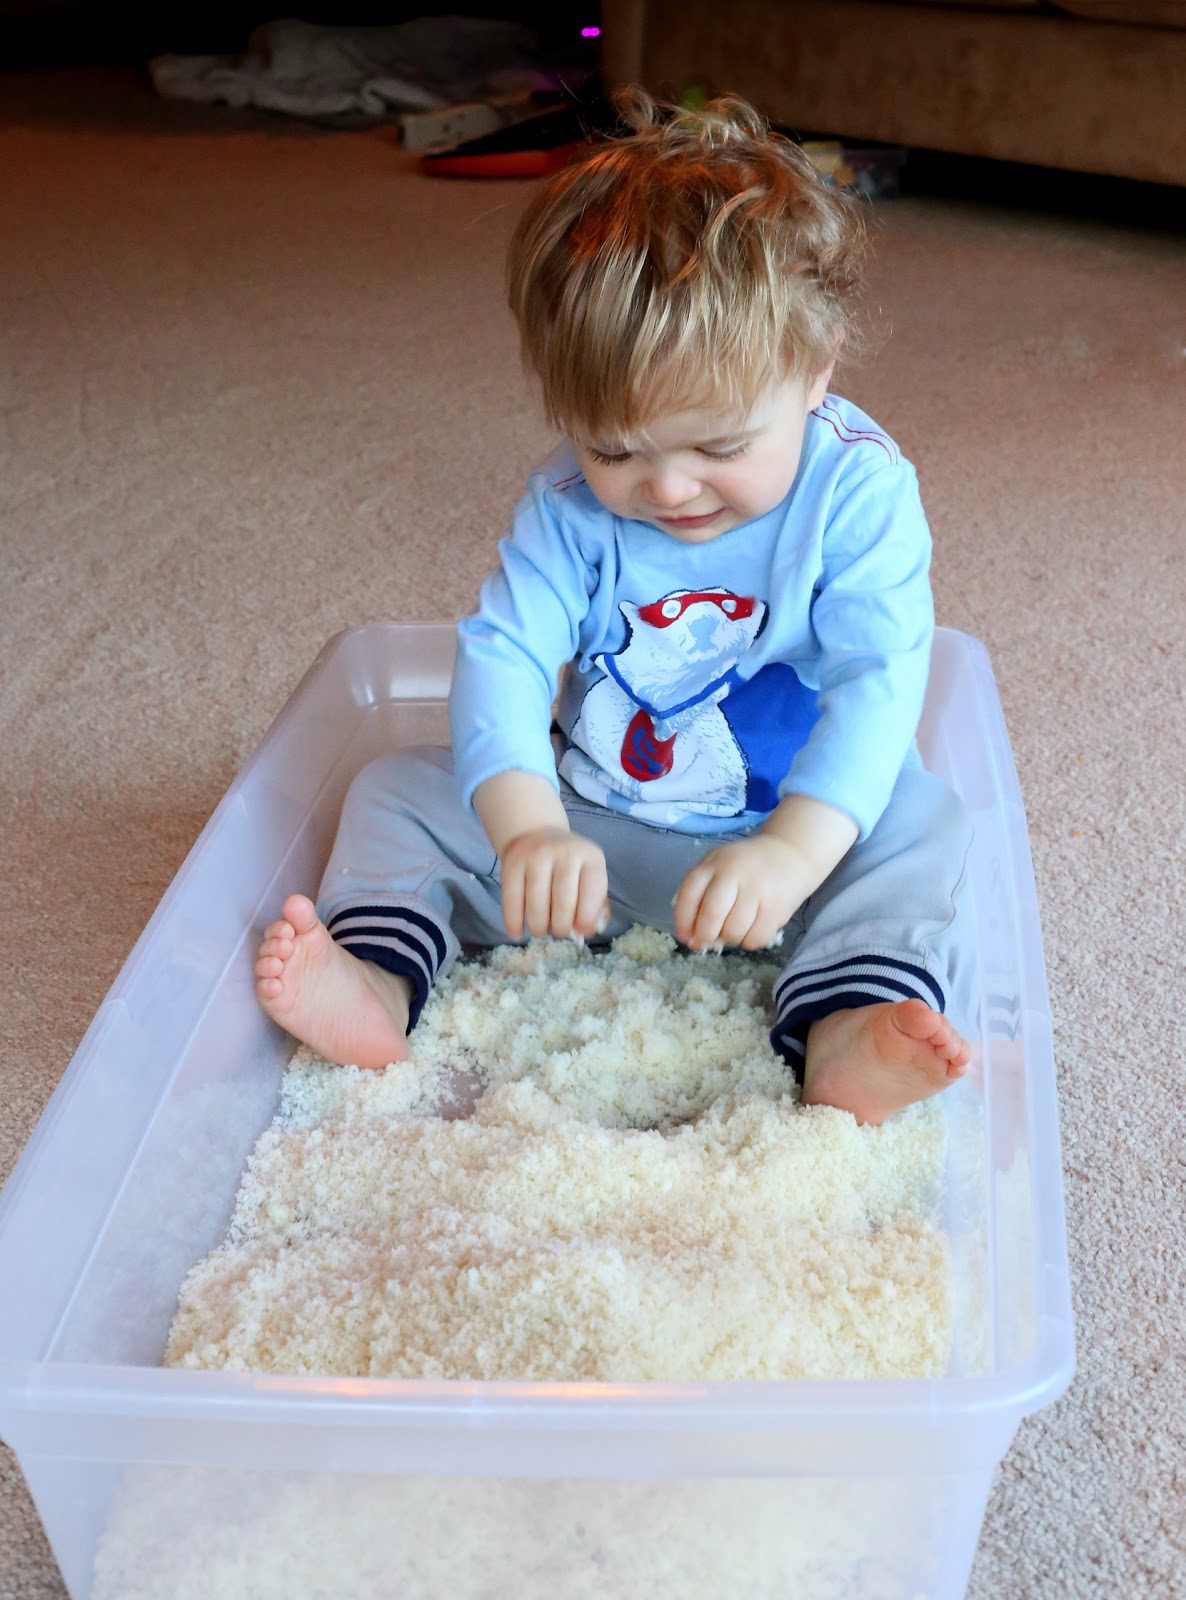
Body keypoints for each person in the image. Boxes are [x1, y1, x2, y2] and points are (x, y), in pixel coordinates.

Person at [254, 89, 977, 1126]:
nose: (669, 490)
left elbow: (880, 681)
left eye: (720, 448)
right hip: (592, 838)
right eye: (614, 450)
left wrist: (793, 851)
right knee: (393, 793)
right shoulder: (563, 504)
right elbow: (503, 655)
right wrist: (526, 830)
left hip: (777, 847)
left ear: (814, 371)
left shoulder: (857, 490)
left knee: (921, 818)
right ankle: (373, 979)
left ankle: (844, 1025)